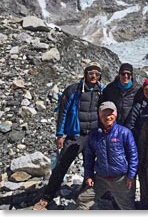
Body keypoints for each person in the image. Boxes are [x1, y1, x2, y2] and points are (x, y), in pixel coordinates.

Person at [33, 62, 104, 210]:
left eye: (97, 74)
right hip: (75, 135)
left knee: (90, 166)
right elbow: (63, 112)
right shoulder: (73, 90)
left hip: (93, 135)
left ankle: (85, 193)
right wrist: (60, 134)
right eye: (91, 73)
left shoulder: (101, 92)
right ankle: (47, 197)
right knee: (62, 166)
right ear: (85, 74)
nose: (93, 76)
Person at [83, 101, 138, 210]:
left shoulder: (124, 132)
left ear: (115, 114)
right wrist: (88, 175)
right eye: (104, 114)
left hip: (121, 179)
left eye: (110, 114)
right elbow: (89, 157)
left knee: (127, 207)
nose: (107, 117)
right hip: (100, 178)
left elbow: (133, 156)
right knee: (83, 200)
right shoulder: (94, 135)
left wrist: (131, 176)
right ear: (99, 115)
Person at [125, 78, 148, 209]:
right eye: (146, 89)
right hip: (142, 146)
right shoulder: (139, 106)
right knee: (143, 175)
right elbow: (130, 125)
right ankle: (145, 204)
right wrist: (136, 139)